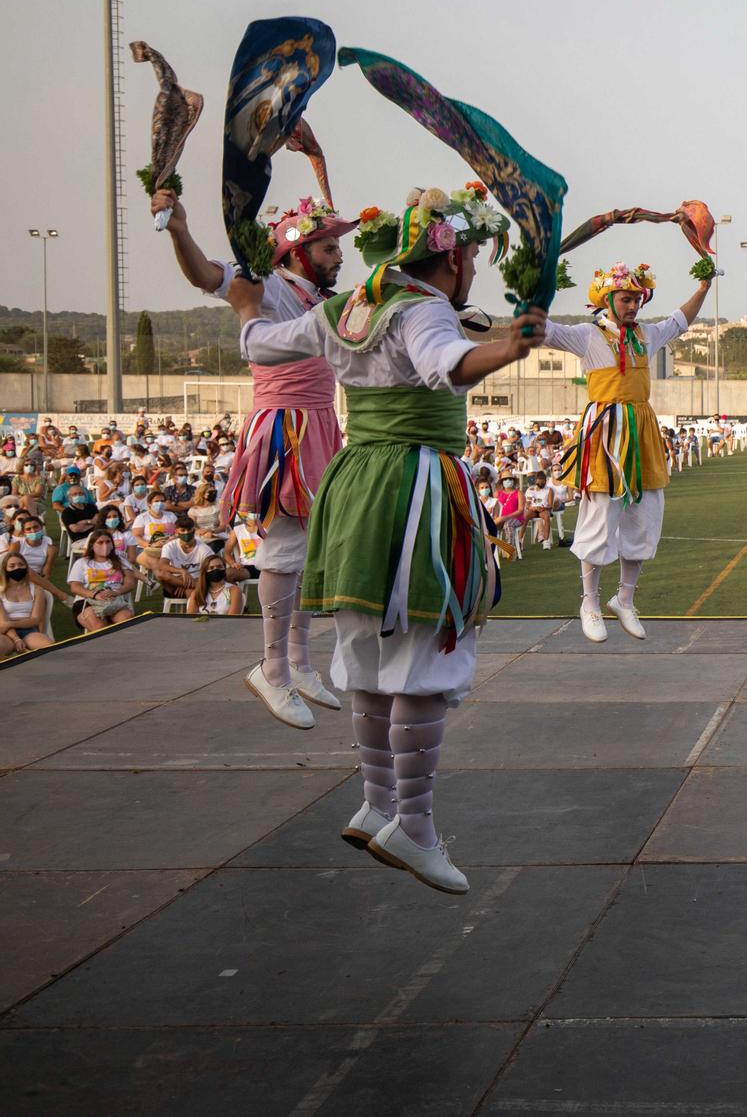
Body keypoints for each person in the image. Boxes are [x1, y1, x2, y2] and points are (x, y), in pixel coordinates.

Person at [228, 183, 545, 895]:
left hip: (351, 485)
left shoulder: (343, 307)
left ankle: (376, 803)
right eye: (470, 252)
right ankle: (418, 824)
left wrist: (246, 304)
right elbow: (447, 363)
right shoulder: (425, 308)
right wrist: (509, 347)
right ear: (453, 255)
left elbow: (259, 342)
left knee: (366, 653)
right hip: (416, 487)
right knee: (424, 653)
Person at [154, 189, 349, 724]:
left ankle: (299, 660)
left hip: (321, 425)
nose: (339, 257)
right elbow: (203, 275)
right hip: (284, 427)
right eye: (329, 248)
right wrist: (178, 229)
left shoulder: (317, 300)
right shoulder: (267, 286)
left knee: (312, 547)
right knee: (286, 545)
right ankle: (273, 668)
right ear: (295, 252)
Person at [543, 263, 707, 641]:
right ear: (607, 299)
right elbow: (544, 330)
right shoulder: (587, 335)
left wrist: (703, 285)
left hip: (641, 429)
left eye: (636, 298)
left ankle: (625, 600)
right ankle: (589, 603)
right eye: (625, 298)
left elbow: (681, 320)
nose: (633, 305)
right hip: (604, 432)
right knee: (599, 517)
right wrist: (542, 288)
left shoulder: (646, 334)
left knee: (645, 515)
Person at [67, 528, 137, 631]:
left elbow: (130, 582)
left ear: (112, 544)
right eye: (100, 542)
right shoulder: (82, 563)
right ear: (92, 545)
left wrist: (117, 592)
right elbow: (75, 587)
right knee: (99, 626)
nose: (105, 545)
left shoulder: (120, 560)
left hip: (114, 599)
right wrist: (95, 595)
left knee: (126, 621)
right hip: (87, 601)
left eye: (108, 542)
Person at [0, 553, 52, 655]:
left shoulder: (37, 590)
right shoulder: (0, 591)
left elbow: (35, 620)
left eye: (21, 564)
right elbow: (3, 623)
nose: (17, 568)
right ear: (5, 570)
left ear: (26, 567)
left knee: (49, 647)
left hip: (29, 631)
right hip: (6, 633)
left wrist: (11, 623)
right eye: (12, 566)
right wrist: (16, 639)